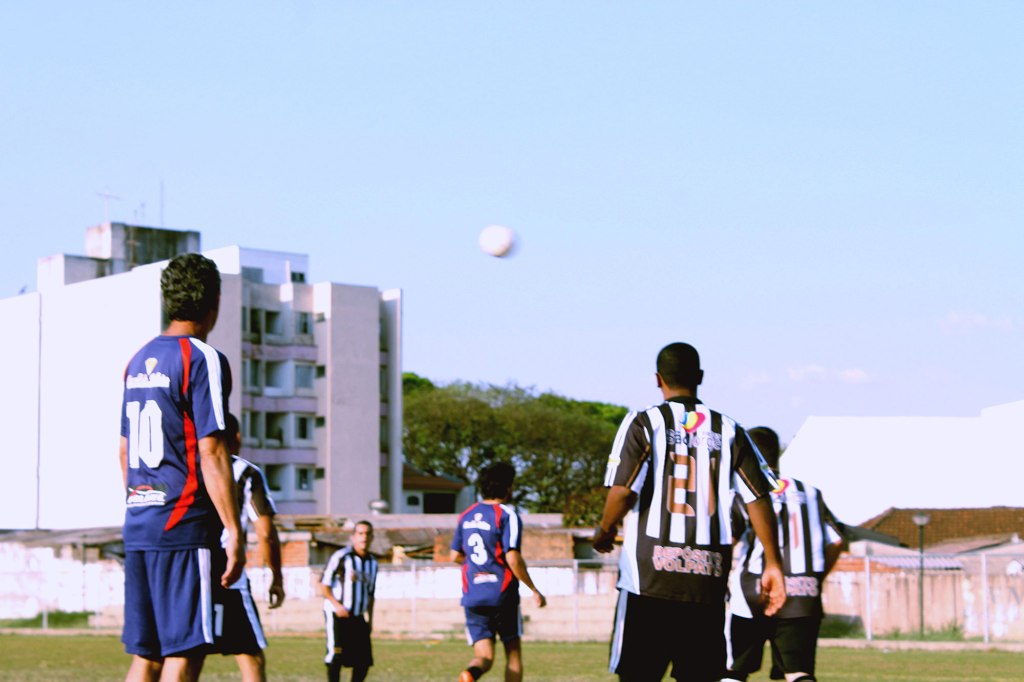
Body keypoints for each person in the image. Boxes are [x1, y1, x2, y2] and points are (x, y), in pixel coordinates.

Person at [592, 342, 787, 682]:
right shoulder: (729, 429)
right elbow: (758, 498)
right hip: (706, 584)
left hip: (647, 583)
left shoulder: (644, 422)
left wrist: (605, 530)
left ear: (658, 379)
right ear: (699, 377)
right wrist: (773, 562)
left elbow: (622, 491)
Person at [120, 252, 245, 682]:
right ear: (214, 301)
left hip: (140, 521)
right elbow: (212, 452)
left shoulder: (137, 361)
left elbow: (123, 450)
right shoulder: (202, 358)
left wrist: (142, 504)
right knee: (185, 651)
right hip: (183, 523)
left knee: (147, 655)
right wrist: (233, 529)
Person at [723, 427, 847, 682]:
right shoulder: (811, 492)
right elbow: (837, 540)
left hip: (753, 589)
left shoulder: (744, 490)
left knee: (735, 668)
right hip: (802, 591)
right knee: (798, 672)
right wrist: (816, 577)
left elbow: (728, 540)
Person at [451, 462, 547, 682]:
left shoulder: (466, 516)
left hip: (473, 595)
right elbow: (512, 557)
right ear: (507, 487)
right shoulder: (507, 515)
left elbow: (454, 555)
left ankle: (469, 674)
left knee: (484, 656)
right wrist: (534, 589)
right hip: (501, 595)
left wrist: (478, 567)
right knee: (512, 652)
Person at [214, 413, 286, 682]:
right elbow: (265, 533)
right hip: (228, 570)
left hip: (188, 567)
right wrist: (277, 577)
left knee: (180, 655)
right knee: (249, 654)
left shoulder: (189, 467)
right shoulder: (245, 472)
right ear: (237, 438)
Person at [321, 521, 379, 682]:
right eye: (360, 533)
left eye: (367, 533)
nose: (364, 537)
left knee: (364, 660)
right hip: (338, 614)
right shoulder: (342, 556)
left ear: (372, 537)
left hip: (358, 615)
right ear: (353, 537)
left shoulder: (373, 563)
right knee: (337, 655)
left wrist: (370, 620)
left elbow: (371, 594)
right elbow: (323, 584)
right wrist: (336, 604)